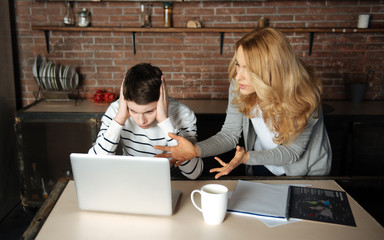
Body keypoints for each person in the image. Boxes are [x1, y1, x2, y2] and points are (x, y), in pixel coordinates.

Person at [154, 27, 332, 179]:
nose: (238, 76)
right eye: (238, 64)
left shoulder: (305, 96)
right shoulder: (240, 85)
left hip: (305, 172)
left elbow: (292, 153)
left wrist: (247, 157)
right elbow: (229, 135)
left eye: (249, 69)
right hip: (260, 163)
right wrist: (196, 150)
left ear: (272, 71)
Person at [89, 63, 203, 180]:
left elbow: (193, 173)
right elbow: (94, 166)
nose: (141, 121)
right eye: (133, 111)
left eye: (149, 111)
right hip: (128, 176)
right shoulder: (117, 110)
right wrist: (120, 118)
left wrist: (165, 121)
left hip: (169, 177)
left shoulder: (183, 114)